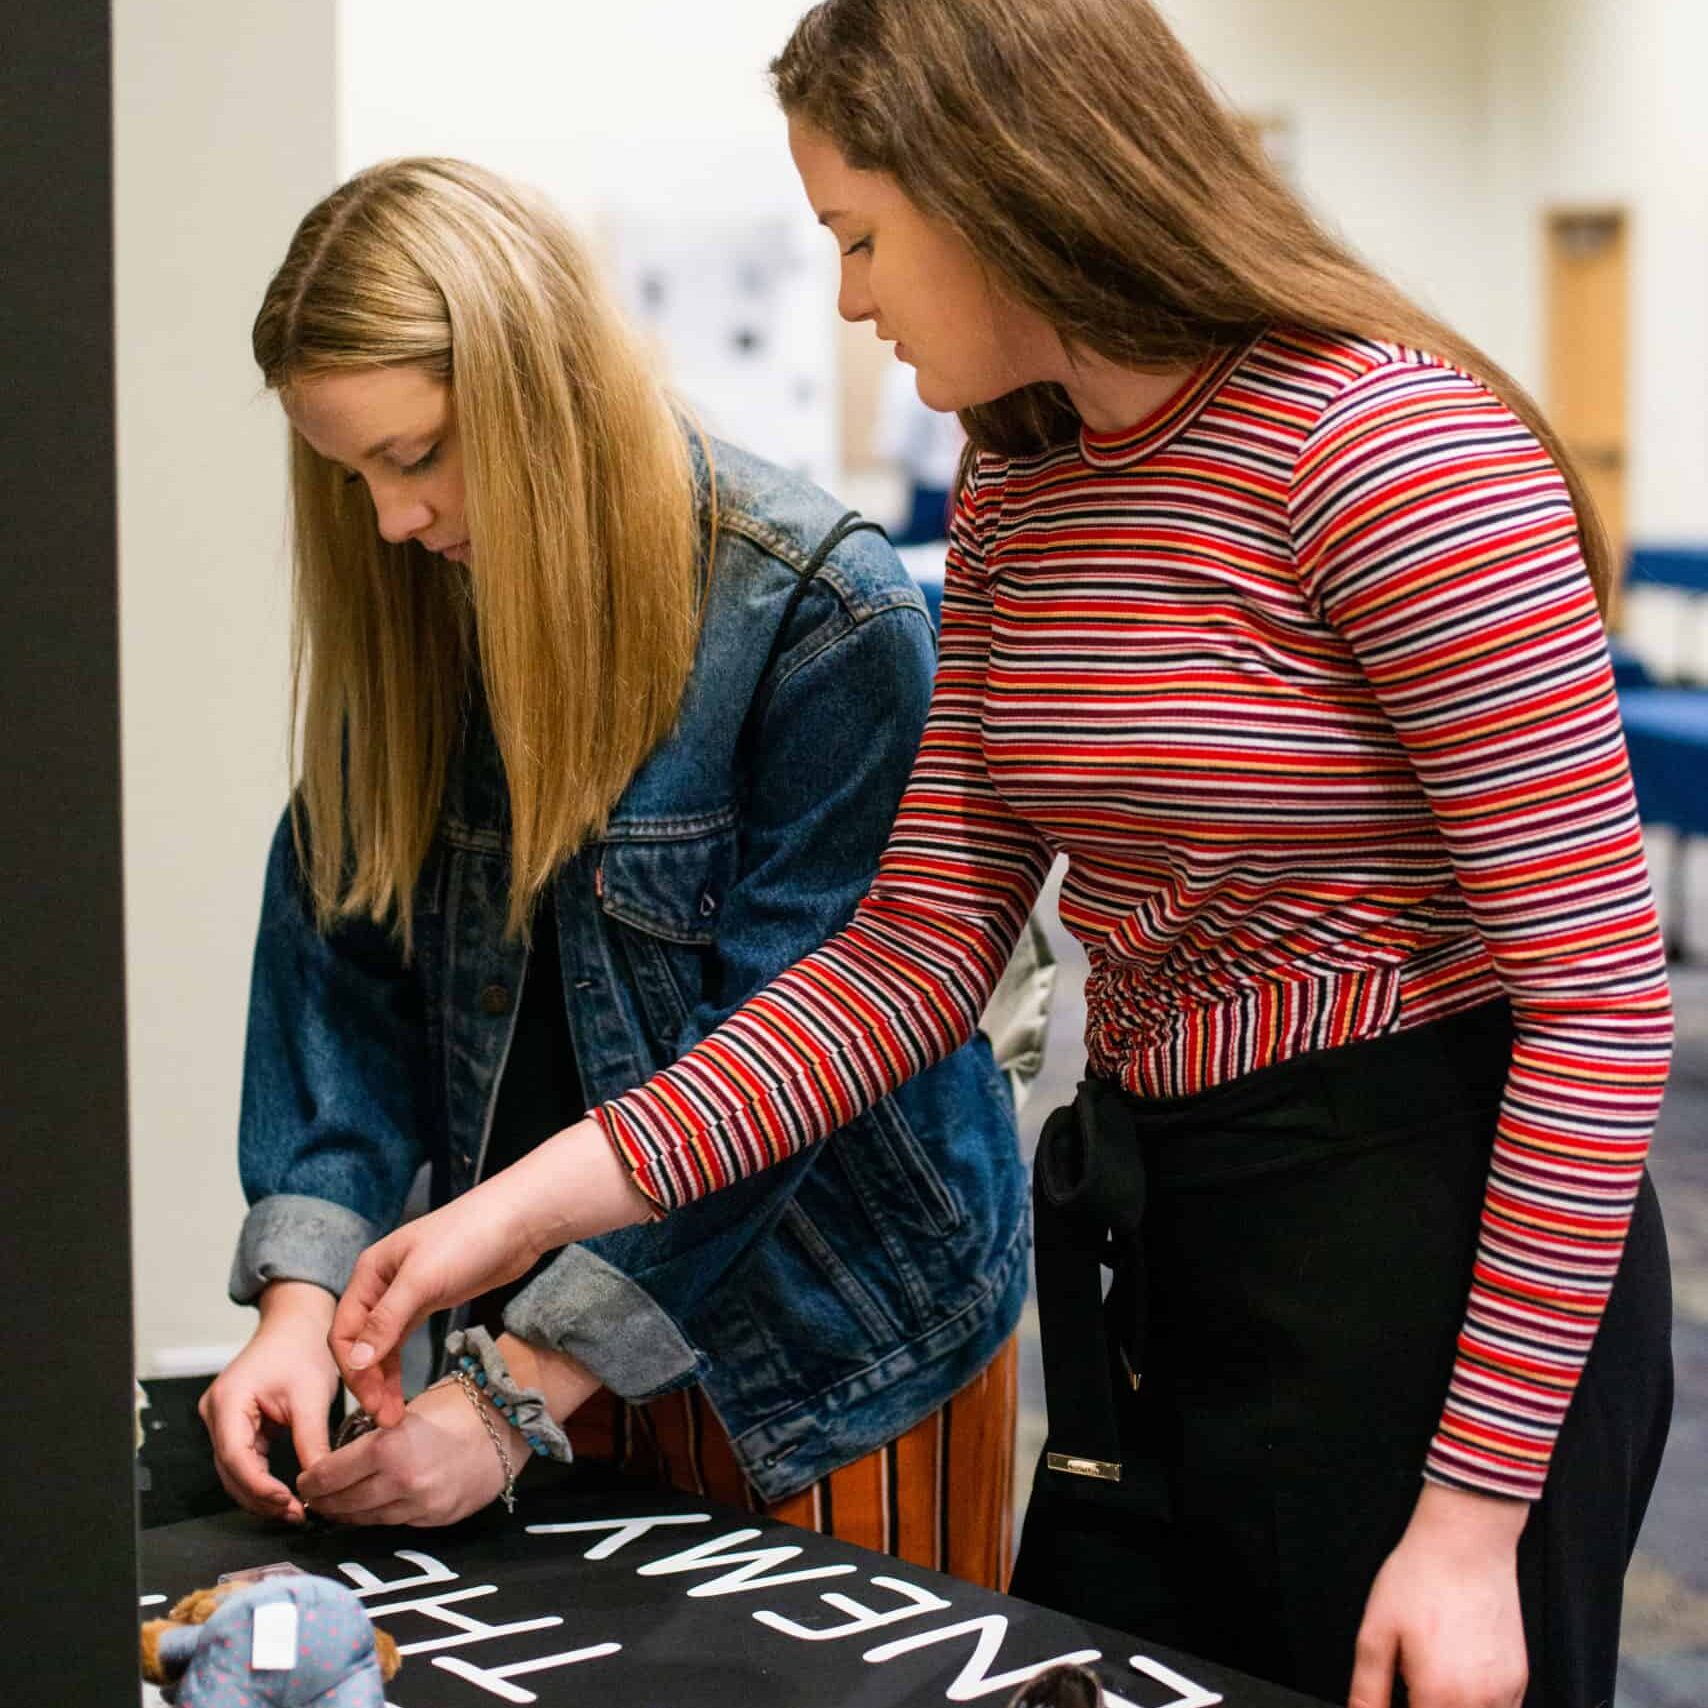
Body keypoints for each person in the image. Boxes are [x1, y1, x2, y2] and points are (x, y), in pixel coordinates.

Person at [328, 6, 1675, 1706]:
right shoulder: (1024, 487)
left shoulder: (1389, 454)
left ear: (1002, 188)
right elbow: (903, 967)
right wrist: (494, 1226)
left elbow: (1605, 1008)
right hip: (1170, 1231)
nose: (851, 298)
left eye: (863, 237)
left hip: (1438, 1260)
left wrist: (1474, 1520)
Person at [197, 155, 1038, 1589]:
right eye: (352, 477)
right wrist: (300, 1293)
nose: (392, 520)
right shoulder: (414, 601)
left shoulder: (816, 611)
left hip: (827, 1344)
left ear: (539, 404)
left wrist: (524, 1386)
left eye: (414, 457)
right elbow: (342, 971)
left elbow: (784, 1074)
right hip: (524, 1350)